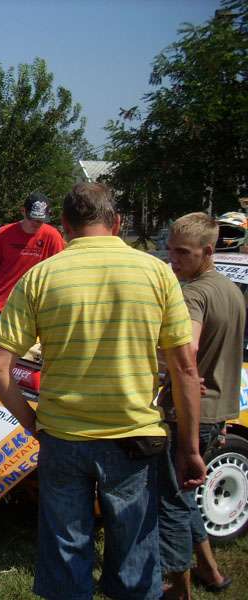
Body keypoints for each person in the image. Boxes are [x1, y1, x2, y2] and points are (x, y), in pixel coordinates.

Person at [0, 182, 206, 600]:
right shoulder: (157, 273)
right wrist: (190, 449)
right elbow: (184, 368)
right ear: (117, 222)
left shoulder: (40, 276)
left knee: (66, 553)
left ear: (64, 225)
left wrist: (32, 423)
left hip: (63, 436)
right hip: (134, 437)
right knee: (134, 557)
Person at [159, 213, 243, 598]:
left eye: (183, 252)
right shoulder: (231, 290)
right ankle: (210, 571)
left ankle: (179, 588)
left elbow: (186, 350)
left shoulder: (192, 294)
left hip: (189, 414)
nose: (173, 259)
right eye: (170, 250)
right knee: (185, 496)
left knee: (170, 503)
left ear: (208, 251)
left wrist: (161, 360)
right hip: (217, 409)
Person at [0, 192, 65, 344]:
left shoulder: (53, 236)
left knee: (29, 358)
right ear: (23, 211)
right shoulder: (3, 233)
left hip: (32, 311)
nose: (37, 223)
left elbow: (60, 276)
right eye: (33, 218)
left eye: (41, 220)